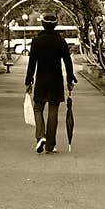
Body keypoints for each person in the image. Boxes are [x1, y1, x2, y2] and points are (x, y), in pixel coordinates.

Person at [25, 12, 77, 154]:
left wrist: (28, 80)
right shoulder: (60, 41)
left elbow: (32, 63)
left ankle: (40, 136)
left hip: (41, 80)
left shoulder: (36, 41)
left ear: (42, 24)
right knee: (53, 112)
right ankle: (50, 145)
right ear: (55, 25)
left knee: (38, 108)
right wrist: (70, 79)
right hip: (56, 81)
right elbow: (67, 62)